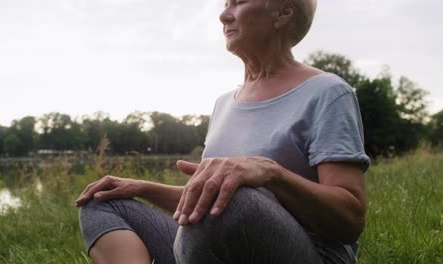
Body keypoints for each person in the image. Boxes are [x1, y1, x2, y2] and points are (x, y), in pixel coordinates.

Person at [76, 0, 370, 263]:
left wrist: (271, 173)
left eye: (238, 2)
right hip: (214, 245)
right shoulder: (223, 104)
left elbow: (350, 219)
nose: (223, 15)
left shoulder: (327, 92)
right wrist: (142, 188)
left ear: (283, 12)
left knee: (233, 196)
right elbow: (207, 199)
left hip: (309, 253)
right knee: (101, 202)